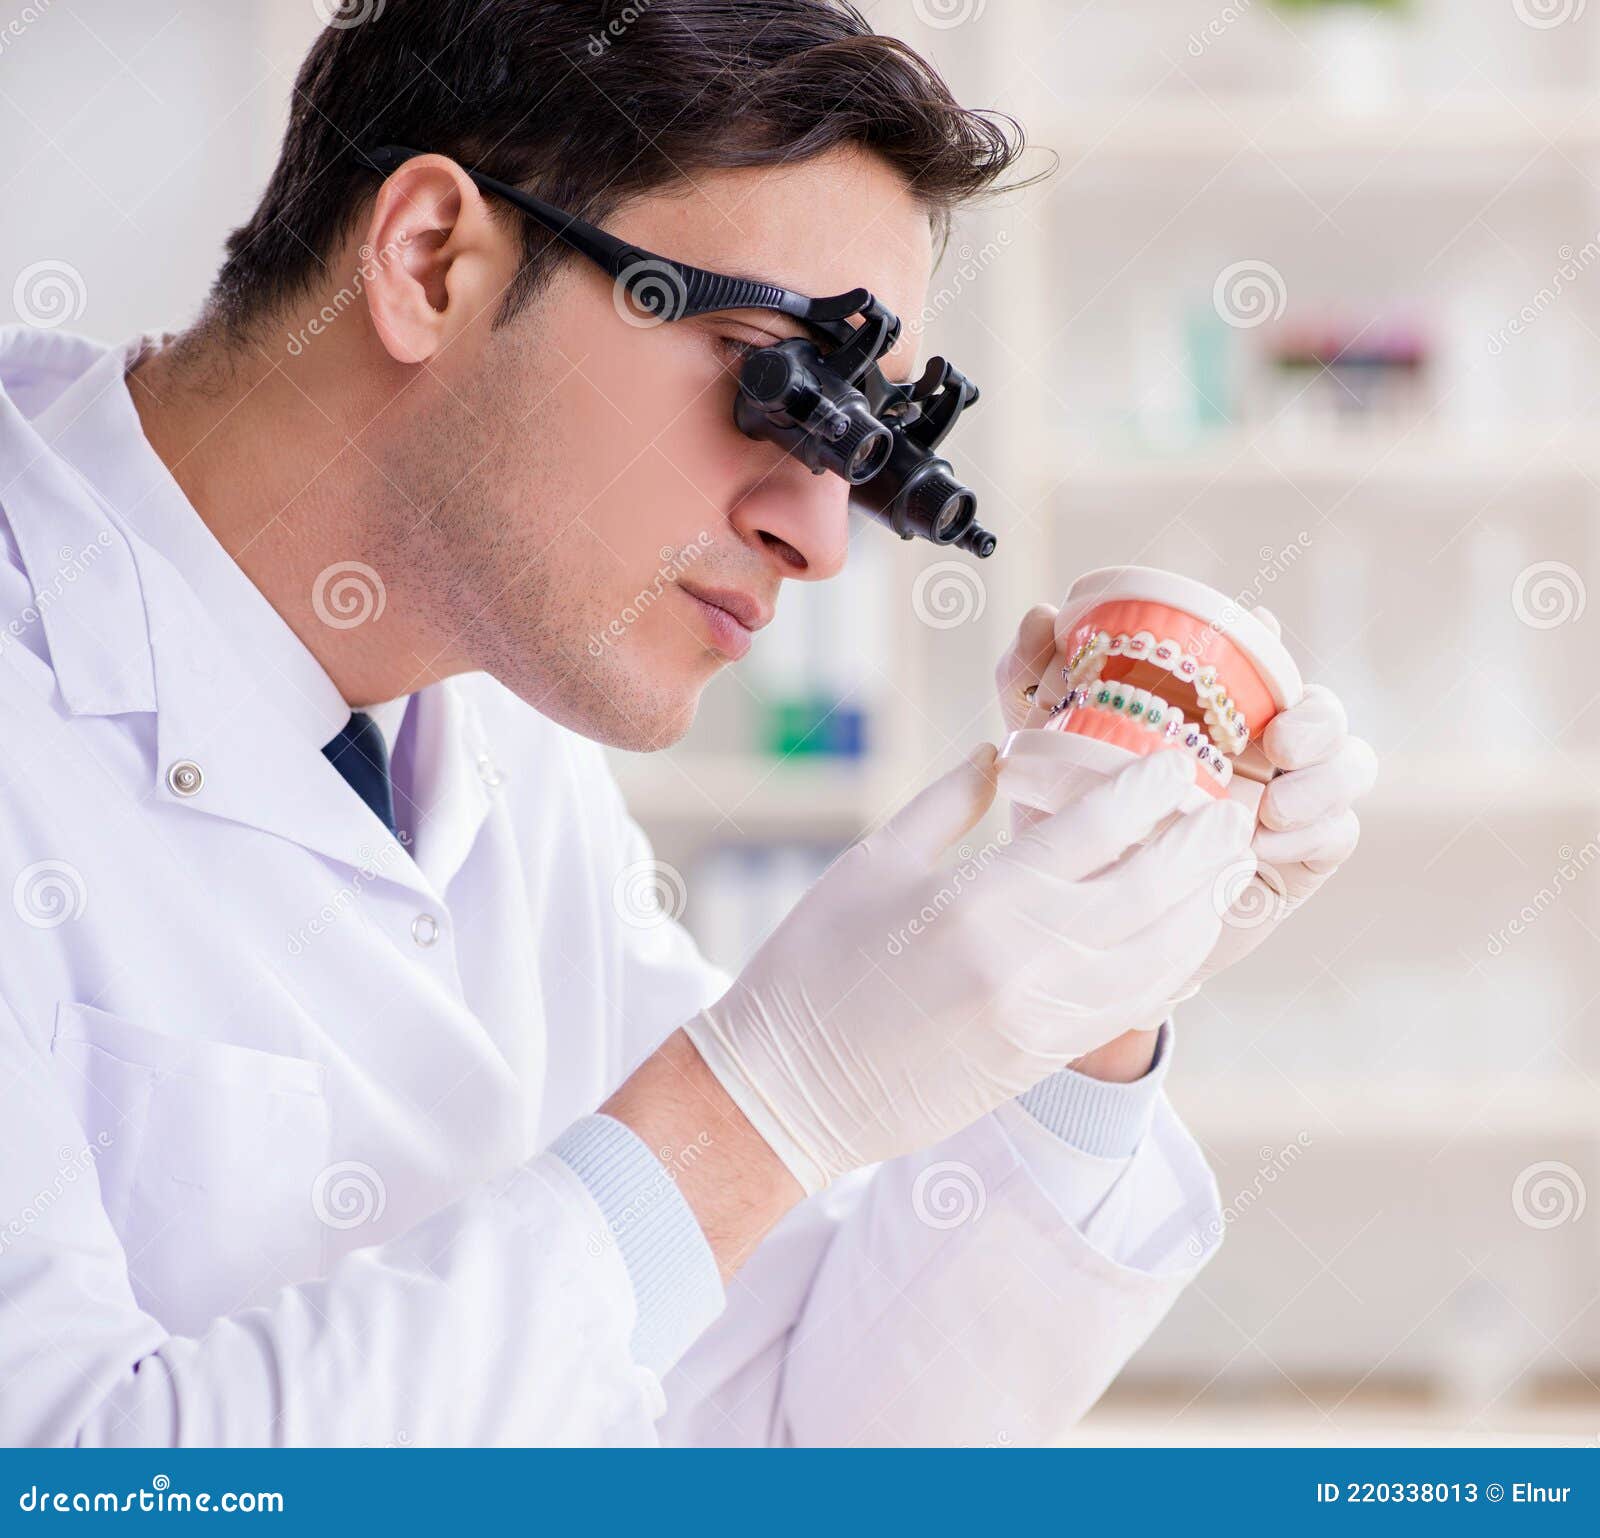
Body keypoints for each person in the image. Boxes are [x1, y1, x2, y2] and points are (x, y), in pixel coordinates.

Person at [0, 0, 1375, 1446]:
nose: (821, 537)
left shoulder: (497, 726)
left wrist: (1092, 996)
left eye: (872, 448)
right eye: (778, 384)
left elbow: (793, 1430)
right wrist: (752, 1108)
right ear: (429, 261)